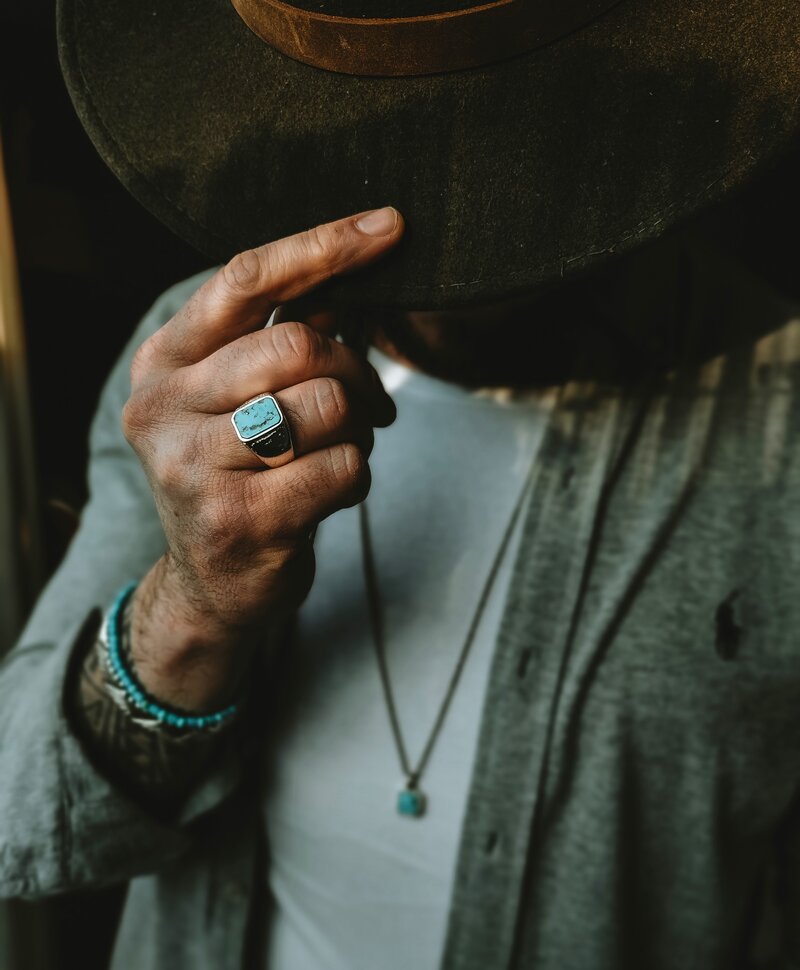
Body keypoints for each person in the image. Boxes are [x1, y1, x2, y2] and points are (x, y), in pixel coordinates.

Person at [3, 0, 800, 967]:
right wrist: (194, 606)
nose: (452, 194)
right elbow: (20, 819)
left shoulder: (776, 417)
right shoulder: (201, 368)